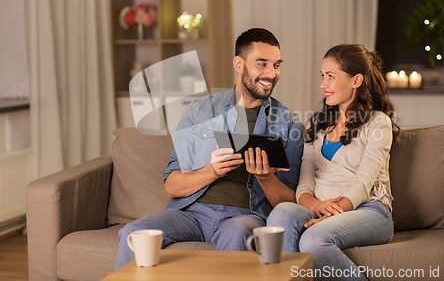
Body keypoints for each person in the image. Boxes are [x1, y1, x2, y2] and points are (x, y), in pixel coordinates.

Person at [115, 28, 305, 269]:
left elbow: (289, 202)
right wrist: (213, 171)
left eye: (277, 65)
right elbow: (172, 186)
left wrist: (265, 177)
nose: (271, 73)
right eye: (262, 64)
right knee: (134, 232)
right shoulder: (199, 111)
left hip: (244, 216)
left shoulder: (289, 123)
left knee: (237, 235)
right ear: (239, 64)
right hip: (190, 214)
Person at [267, 44, 399, 281]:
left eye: (330, 76)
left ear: (356, 80)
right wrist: (315, 205)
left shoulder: (378, 123)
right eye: (322, 76)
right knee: (280, 214)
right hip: (320, 207)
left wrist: (335, 213)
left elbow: (364, 180)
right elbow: (306, 179)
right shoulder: (317, 124)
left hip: (369, 210)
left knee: (313, 240)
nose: (322, 84)